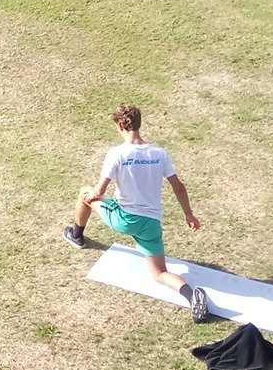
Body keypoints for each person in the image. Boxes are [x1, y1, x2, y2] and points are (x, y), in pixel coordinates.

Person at [66, 104, 208, 321]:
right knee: (159, 273)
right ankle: (191, 295)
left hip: (125, 219)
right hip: (151, 224)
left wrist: (90, 196)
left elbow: (99, 191)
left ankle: (76, 235)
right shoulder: (159, 153)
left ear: (121, 125)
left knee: (84, 192)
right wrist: (188, 214)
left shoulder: (117, 153)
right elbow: (178, 186)